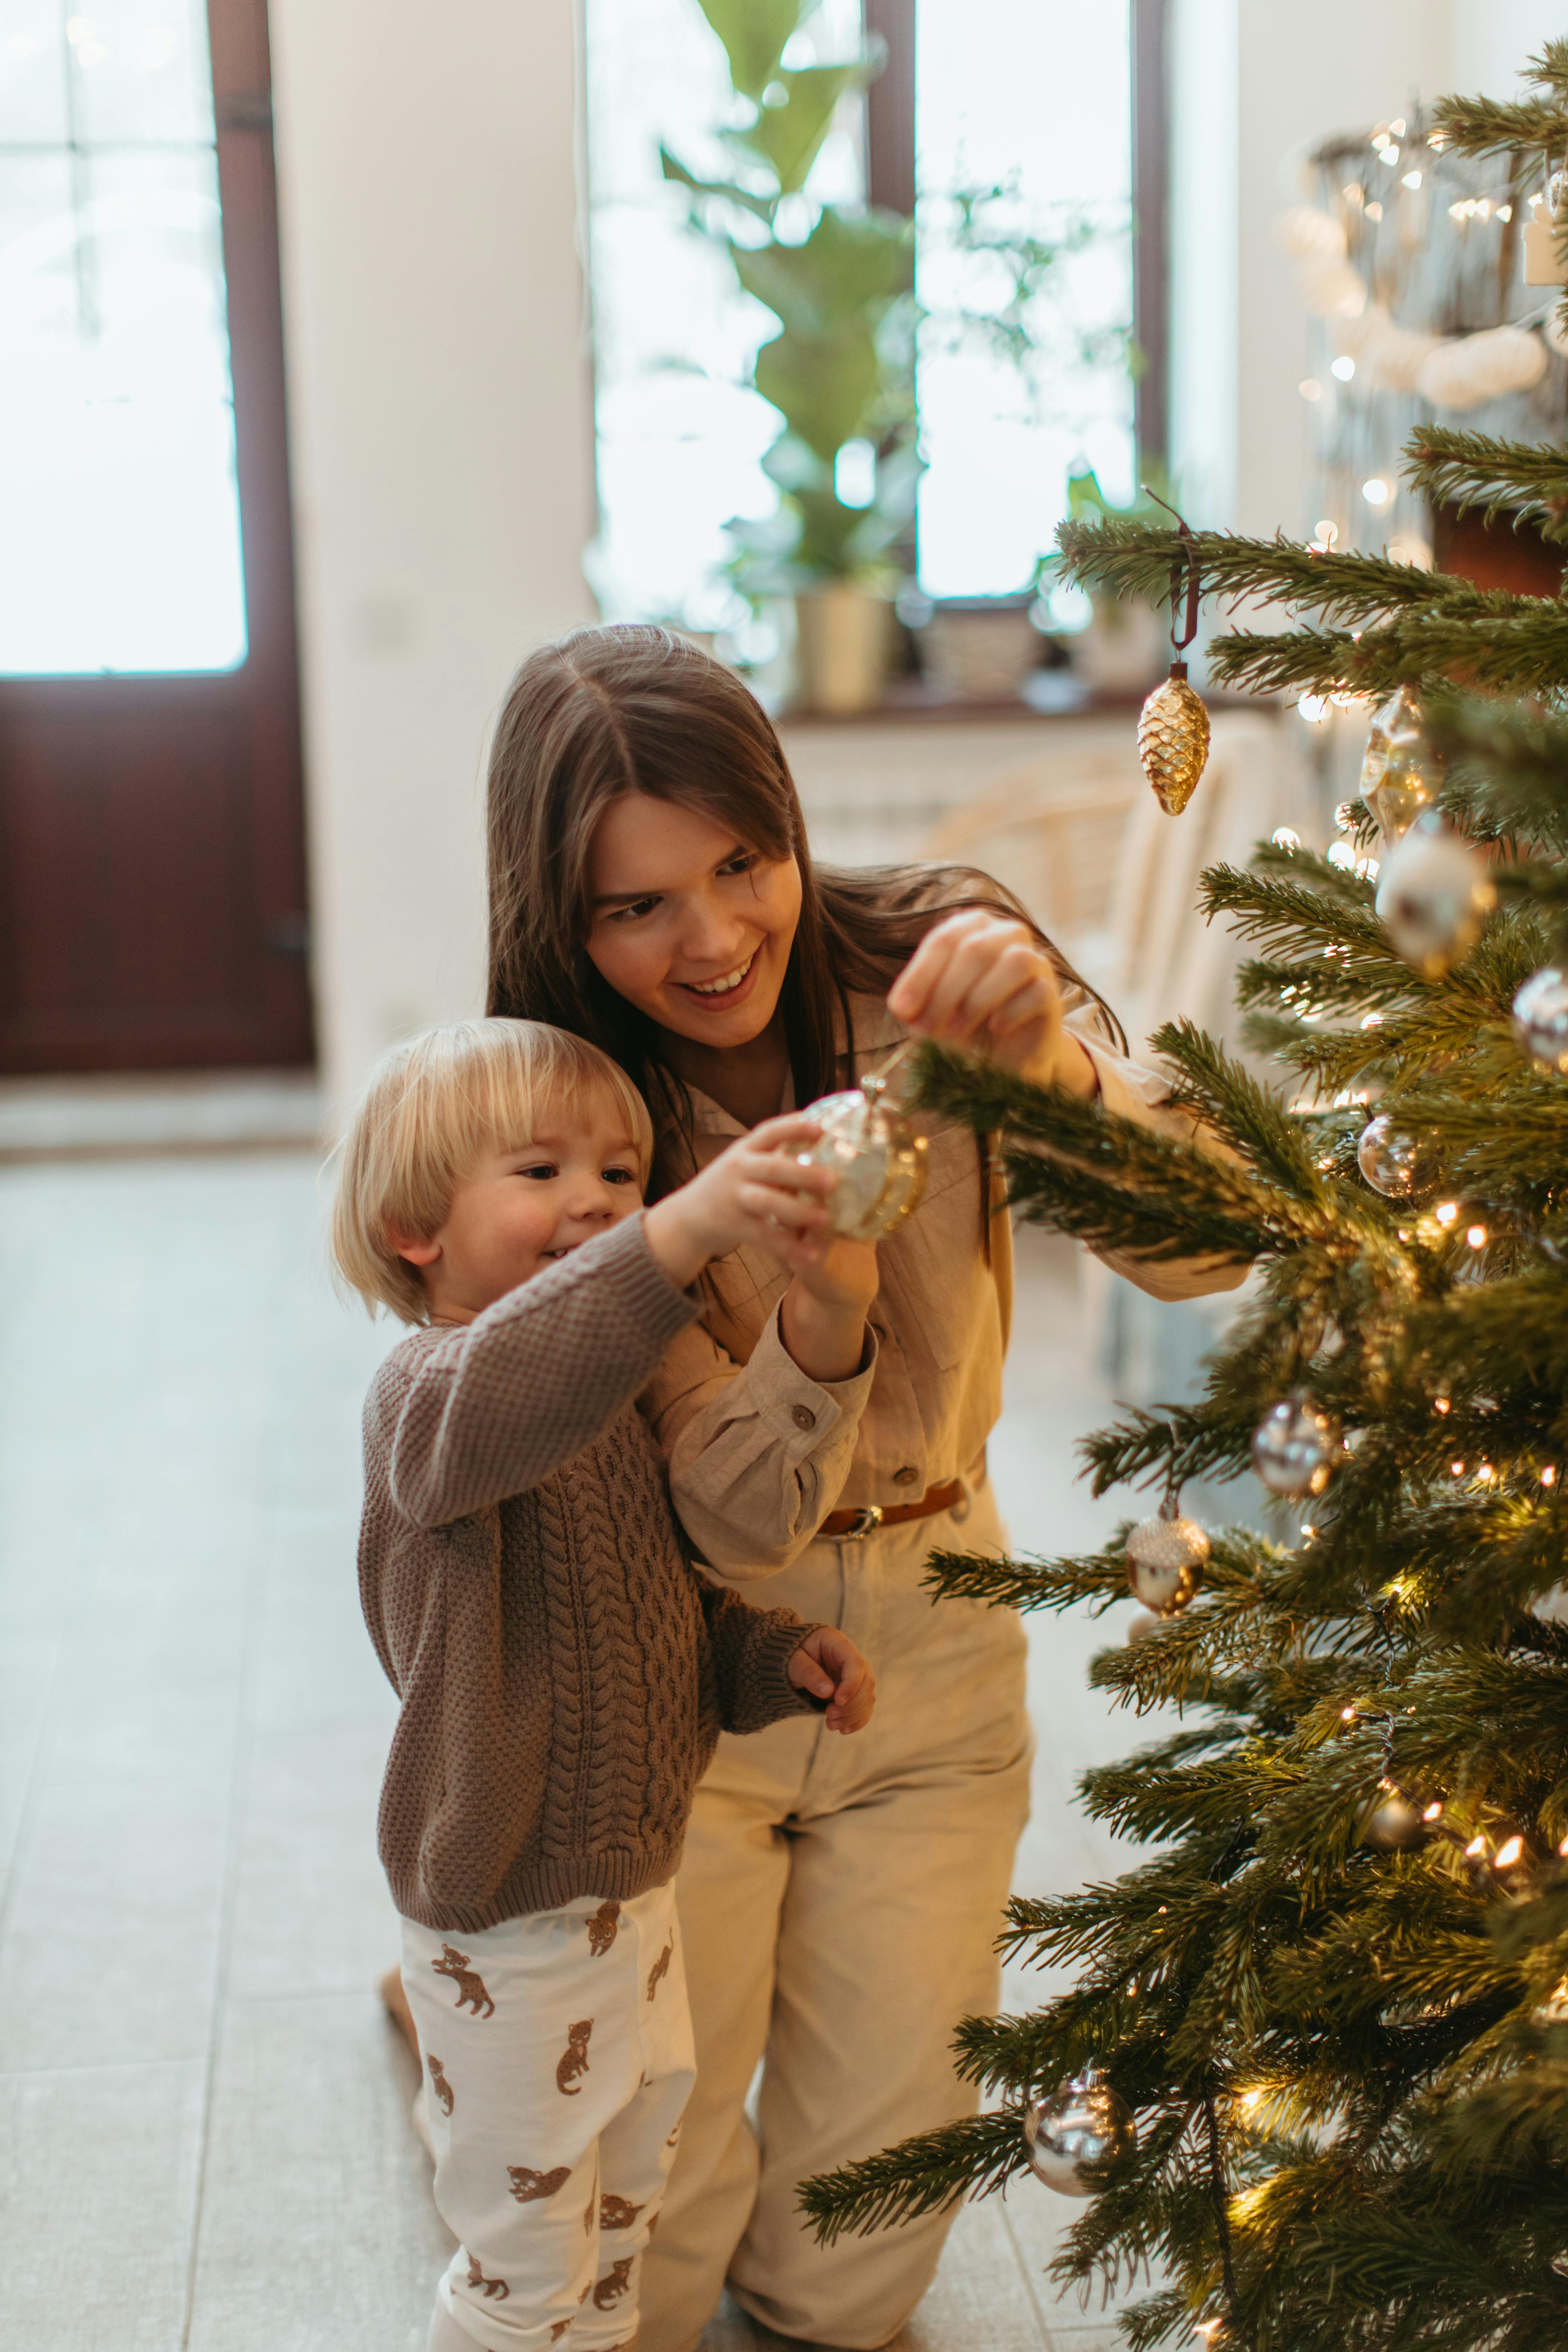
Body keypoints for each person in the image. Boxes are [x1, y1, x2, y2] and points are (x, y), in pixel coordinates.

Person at [483, 625, 1247, 2352]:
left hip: (942, 1645)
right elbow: (732, 1520)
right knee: (645, 2289)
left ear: (787, 820)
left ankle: (533, 2032)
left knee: (842, 2288)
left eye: (741, 863)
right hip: (685, 1683)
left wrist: (1049, 1065)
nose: (714, 937)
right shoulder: (565, 1115)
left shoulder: (933, 958)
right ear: (562, 916)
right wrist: (818, 1310)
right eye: (636, 907)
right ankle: (485, 2027)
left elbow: (1207, 1251)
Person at [333, 1016, 876, 2352]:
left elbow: (650, 1606)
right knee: (523, 2271)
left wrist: (764, 1657)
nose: (596, 1201)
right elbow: (506, 1392)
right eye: (541, 1173)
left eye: (624, 1175)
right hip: (506, 1910)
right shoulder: (430, 1396)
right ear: (416, 1227)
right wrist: (676, 1234)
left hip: (632, 1890)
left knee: (625, 2220)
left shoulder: (612, 1404)